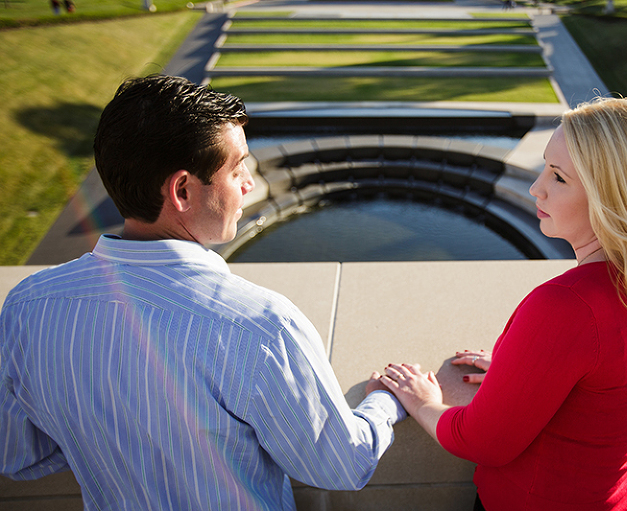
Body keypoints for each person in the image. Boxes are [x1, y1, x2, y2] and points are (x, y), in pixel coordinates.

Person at [0, 74, 405, 510]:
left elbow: (17, 455)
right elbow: (341, 466)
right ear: (182, 190)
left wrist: (102, 434)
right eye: (237, 168)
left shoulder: (27, 307)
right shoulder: (260, 324)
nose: (248, 183)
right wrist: (387, 400)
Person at [379, 97, 627, 511]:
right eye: (545, 167)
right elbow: (600, 382)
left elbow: (481, 441)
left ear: (611, 199)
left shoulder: (566, 307)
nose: (535, 187)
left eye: (558, 177)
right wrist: (520, 371)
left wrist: (421, 401)